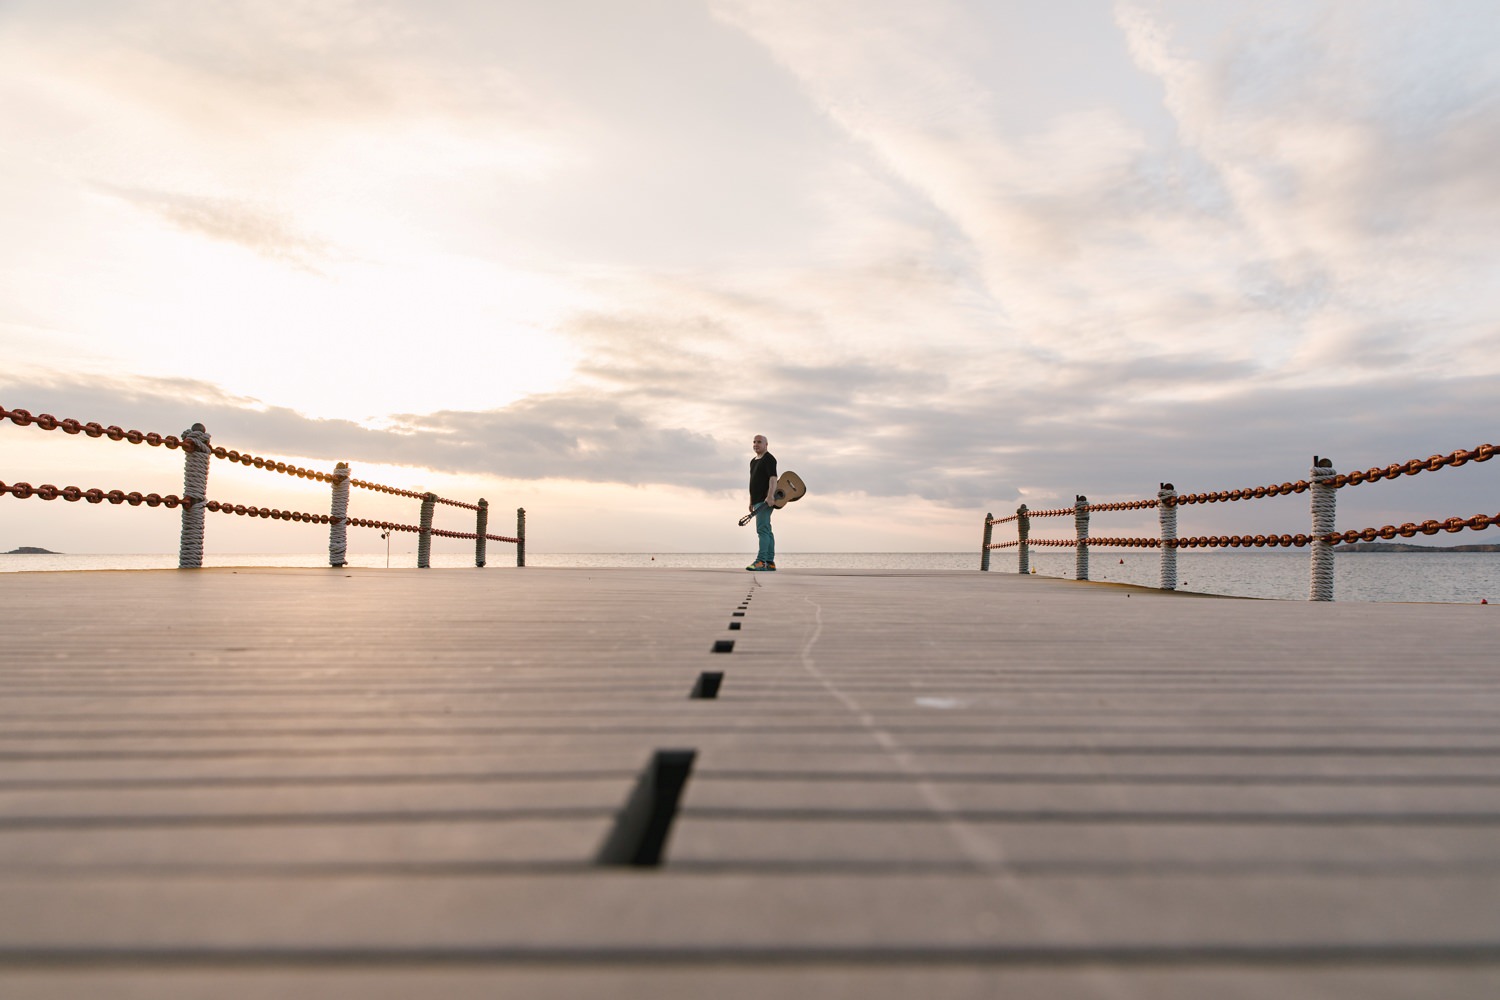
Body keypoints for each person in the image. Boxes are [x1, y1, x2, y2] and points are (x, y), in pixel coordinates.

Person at [747, 434, 777, 571]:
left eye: (759, 442)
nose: (756, 444)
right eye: (754, 442)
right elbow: (753, 481)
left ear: (766, 444)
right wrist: (751, 501)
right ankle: (769, 562)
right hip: (756, 500)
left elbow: (773, 479)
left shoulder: (769, 459)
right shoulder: (753, 461)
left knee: (762, 530)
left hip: (765, 501)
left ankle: (760, 562)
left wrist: (770, 496)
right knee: (767, 530)